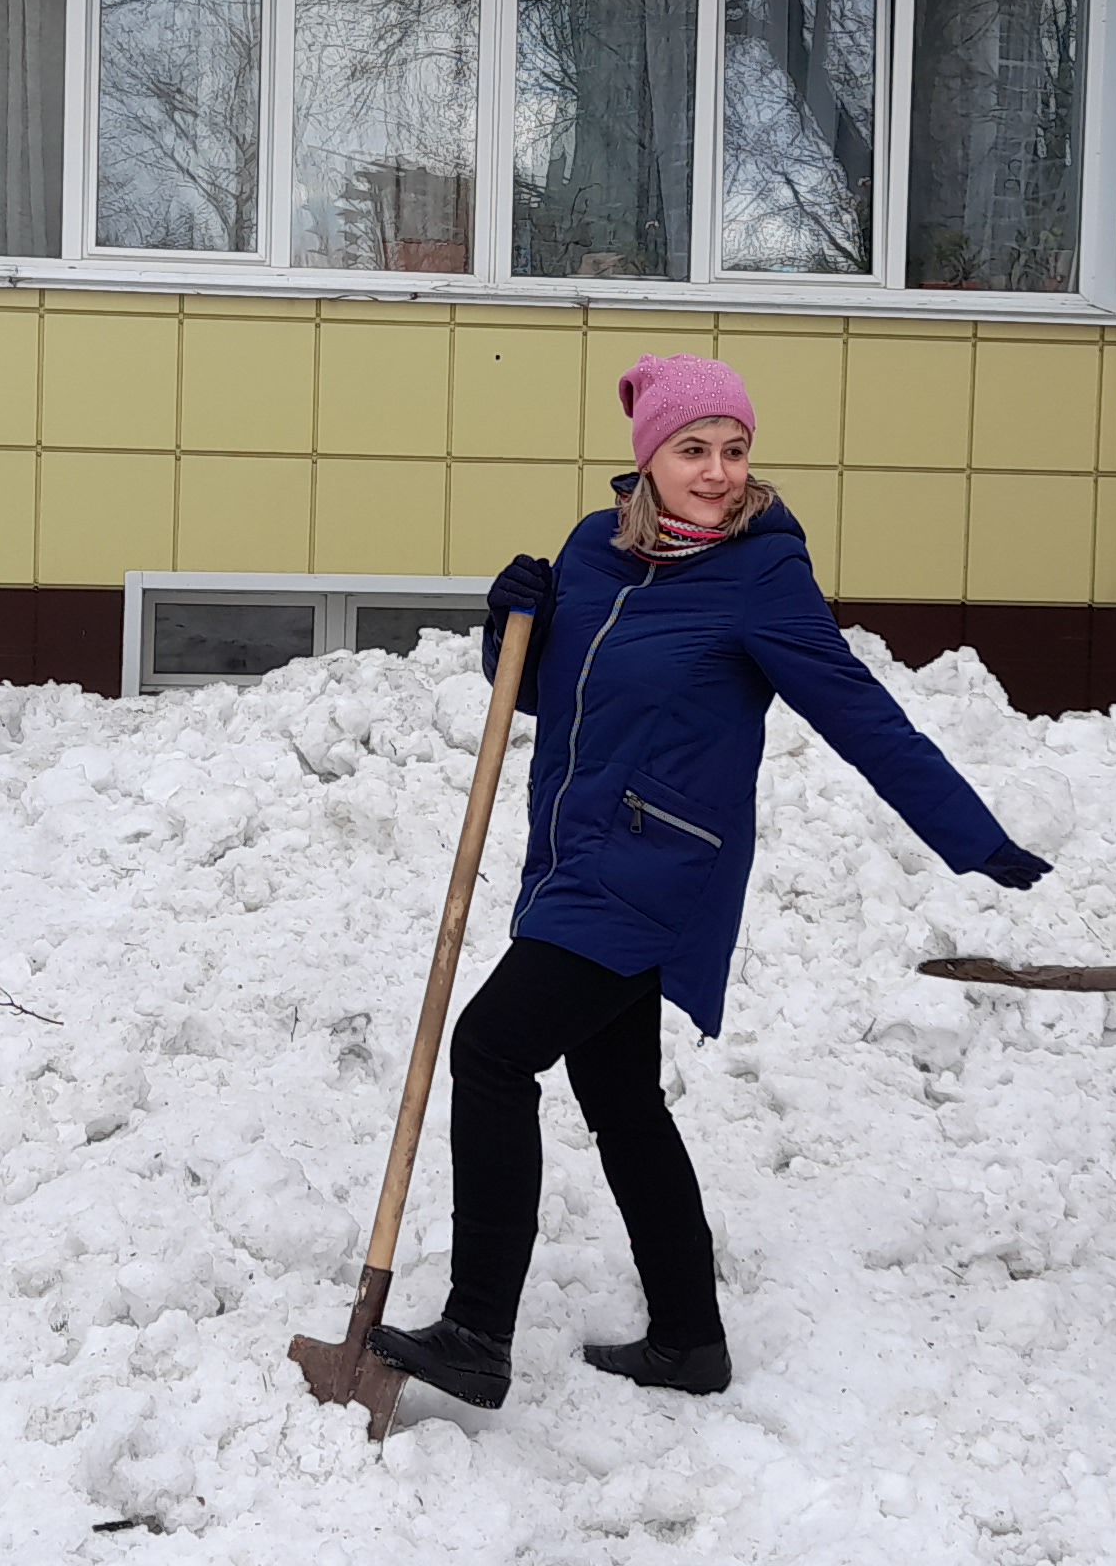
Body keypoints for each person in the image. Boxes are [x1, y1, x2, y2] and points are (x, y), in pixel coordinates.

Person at [366, 356, 1052, 1411]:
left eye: (735, 450)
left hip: (657, 868)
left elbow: (860, 714)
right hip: (575, 855)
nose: (720, 473)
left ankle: (476, 1331)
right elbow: (554, 692)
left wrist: (971, 835)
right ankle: (689, 1341)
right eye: (694, 449)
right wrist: (512, 626)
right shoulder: (594, 549)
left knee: (493, 1051)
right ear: (649, 457)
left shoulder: (760, 573)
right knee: (620, 1096)